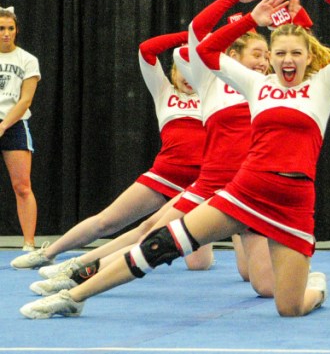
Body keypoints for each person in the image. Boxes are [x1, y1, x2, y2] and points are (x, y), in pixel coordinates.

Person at [21, 0, 330, 319]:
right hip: (245, 189)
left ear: (309, 56)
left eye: (295, 53)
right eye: (278, 53)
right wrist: (248, 18)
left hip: (293, 203)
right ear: (271, 59)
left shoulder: (323, 85)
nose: (286, 59)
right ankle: (74, 295)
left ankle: (316, 288)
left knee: (285, 305)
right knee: (161, 244)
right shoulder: (254, 84)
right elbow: (202, 49)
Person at [24, 0, 279, 299]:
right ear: (232, 55)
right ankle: (76, 274)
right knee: (151, 234)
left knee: (262, 285)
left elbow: (304, 58)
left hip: (247, 189)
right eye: (257, 54)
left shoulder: (268, 88)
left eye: (267, 56)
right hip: (208, 185)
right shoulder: (209, 80)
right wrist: (241, 8)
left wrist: (287, 24)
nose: (264, 61)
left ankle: (313, 285)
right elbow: (193, 38)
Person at [11, 30, 205, 273]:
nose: (187, 77)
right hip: (165, 175)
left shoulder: (212, 93)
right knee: (106, 221)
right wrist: (188, 36)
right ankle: (48, 254)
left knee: (200, 264)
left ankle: (90, 265)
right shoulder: (164, 91)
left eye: (192, 71)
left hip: (203, 183)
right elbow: (147, 49)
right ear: (172, 73)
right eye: (180, 70)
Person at [0, 7, 40, 253]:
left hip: (14, 126)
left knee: (22, 187)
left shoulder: (27, 60)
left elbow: (26, 100)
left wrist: (4, 125)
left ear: (16, 30)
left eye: (10, 28)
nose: (6, 33)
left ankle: (29, 245)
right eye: (1, 29)